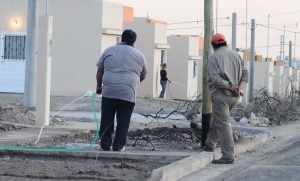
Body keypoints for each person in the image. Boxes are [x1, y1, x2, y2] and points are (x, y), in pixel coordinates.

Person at [96, 29, 148, 151]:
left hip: (109, 90)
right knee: (123, 119)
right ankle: (118, 146)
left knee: (107, 118)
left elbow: (100, 70)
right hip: (128, 92)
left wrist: (99, 86)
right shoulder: (139, 55)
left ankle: (105, 145)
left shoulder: (109, 50)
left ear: (121, 38)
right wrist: (131, 84)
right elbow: (144, 75)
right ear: (134, 41)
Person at [203, 33, 248, 164]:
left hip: (222, 95)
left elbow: (216, 79)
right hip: (235, 96)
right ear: (225, 43)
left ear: (213, 45)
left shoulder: (214, 57)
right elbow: (245, 74)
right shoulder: (236, 55)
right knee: (219, 119)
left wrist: (231, 86)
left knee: (223, 124)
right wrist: (239, 87)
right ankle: (210, 145)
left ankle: (228, 156)